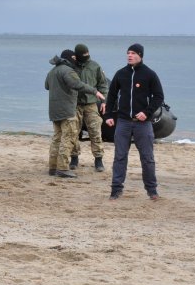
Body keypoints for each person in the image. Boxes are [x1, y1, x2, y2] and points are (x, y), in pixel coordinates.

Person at [104, 43, 164, 200]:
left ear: (140, 55)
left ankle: (152, 191)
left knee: (147, 158)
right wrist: (108, 115)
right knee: (120, 157)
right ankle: (116, 190)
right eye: (128, 53)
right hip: (123, 122)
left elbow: (158, 97)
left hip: (142, 123)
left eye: (133, 53)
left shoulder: (149, 74)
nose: (129, 55)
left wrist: (147, 112)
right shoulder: (120, 74)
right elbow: (111, 96)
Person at [45, 50, 105, 179]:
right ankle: (62, 168)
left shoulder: (52, 71)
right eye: (73, 58)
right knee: (68, 139)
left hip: (54, 111)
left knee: (56, 138)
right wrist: (95, 91)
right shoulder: (68, 71)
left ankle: (53, 167)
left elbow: (47, 86)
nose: (75, 60)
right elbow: (77, 84)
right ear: (69, 59)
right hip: (67, 111)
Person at [70, 43, 109, 172]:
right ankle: (74, 157)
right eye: (83, 56)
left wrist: (104, 100)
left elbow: (103, 84)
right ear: (76, 56)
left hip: (91, 104)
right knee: (73, 131)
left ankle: (98, 159)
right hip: (75, 104)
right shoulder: (71, 66)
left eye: (87, 56)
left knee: (95, 131)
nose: (86, 58)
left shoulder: (95, 66)